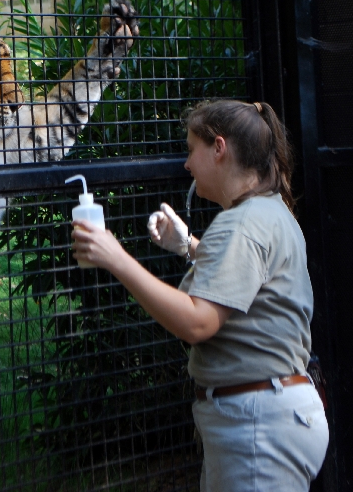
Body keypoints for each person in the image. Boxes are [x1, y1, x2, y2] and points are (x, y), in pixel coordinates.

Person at [72, 99, 329, 491]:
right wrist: (189, 246)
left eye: (193, 150)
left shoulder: (242, 224)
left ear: (219, 148)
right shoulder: (270, 211)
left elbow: (198, 322)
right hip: (275, 418)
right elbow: (248, 281)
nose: (187, 164)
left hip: (258, 427)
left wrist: (116, 258)